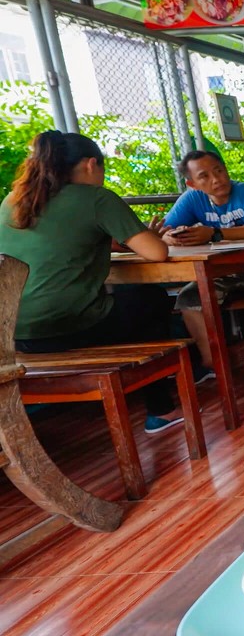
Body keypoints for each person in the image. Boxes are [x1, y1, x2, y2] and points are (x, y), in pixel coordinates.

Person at [0, 131, 185, 434]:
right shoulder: (97, 198)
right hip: (67, 329)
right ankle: (160, 409)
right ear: (90, 164)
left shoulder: (14, 200)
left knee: (125, 301)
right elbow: (157, 252)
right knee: (149, 299)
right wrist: (153, 235)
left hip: (13, 334)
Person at [159, 150, 244, 376]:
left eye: (219, 170)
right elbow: (163, 230)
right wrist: (169, 237)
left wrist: (215, 234)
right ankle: (214, 365)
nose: (216, 178)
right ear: (192, 183)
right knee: (188, 299)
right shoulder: (192, 200)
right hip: (225, 271)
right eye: (204, 176)